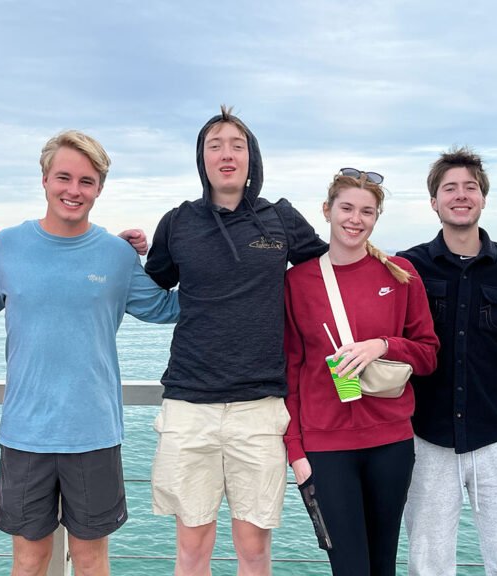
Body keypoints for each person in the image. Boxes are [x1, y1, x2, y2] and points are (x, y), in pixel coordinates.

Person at [0, 130, 179, 576]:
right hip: (24, 434)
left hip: (94, 433)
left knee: (91, 560)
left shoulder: (116, 254)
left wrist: (227, 272)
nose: (74, 190)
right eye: (63, 177)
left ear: (100, 188)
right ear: (45, 180)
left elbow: (169, 307)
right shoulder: (4, 247)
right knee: (29, 561)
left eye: (86, 181)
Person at [145, 106, 327, 576]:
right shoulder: (177, 222)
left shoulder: (281, 218)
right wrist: (120, 251)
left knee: (253, 549)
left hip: (259, 406)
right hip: (189, 403)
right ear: (202, 159)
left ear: (252, 157)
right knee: (192, 547)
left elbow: (330, 275)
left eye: (237, 145)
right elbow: (150, 288)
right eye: (215, 145)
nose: (226, 154)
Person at [283, 169, 439, 575]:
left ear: (376, 217)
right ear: (327, 210)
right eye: (347, 208)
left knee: (383, 564)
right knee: (349, 567)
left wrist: (384, 345)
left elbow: (428, 354)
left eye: (366, 211)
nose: (355, 219)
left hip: (391, 441)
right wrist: (295, 449)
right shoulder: (297, 281)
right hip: (325, 446)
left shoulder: (400, 274)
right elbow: (291, 369)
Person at [397, 147, 497, 576]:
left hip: (496, 435)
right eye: (449, 188)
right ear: (434, 201)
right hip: (427, 434)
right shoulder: (407, 267)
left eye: (470, 187)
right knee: (428, 562)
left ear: (483, 198)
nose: (461, 195)